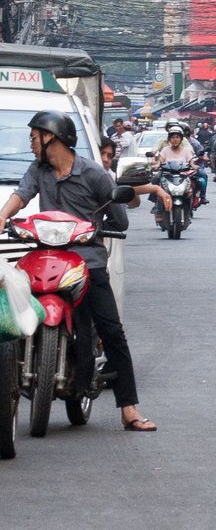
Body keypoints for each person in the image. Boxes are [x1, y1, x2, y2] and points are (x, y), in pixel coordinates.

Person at [0, 111, 166, 431]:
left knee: (112, 331)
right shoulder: (38, 170)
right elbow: (20, 195)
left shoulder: (94, 174)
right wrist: (3, 215)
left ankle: (129, 408)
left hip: (88, 262)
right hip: (47, 259)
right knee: (13, 312)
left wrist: (98, 228)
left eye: (34, 137)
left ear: (51, 137)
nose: (31, 143)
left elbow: (119, 220)